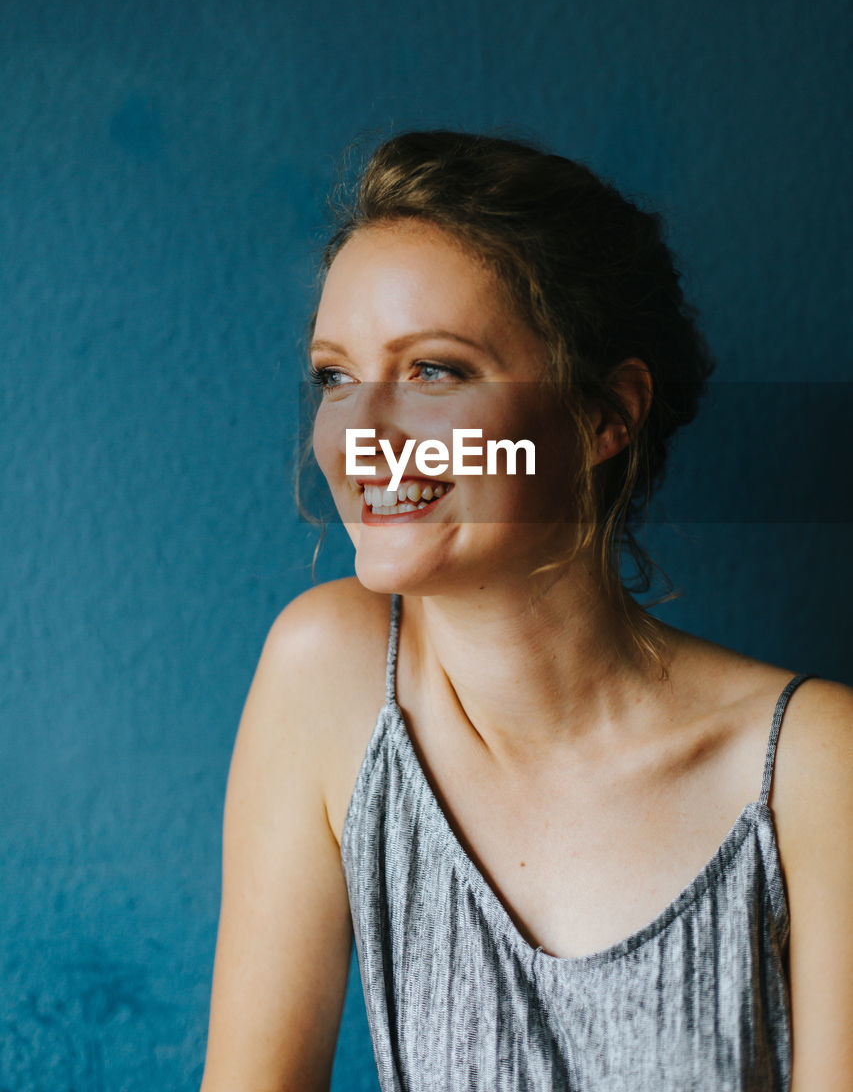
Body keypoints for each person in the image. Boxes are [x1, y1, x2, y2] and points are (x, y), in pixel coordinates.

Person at [199, 131, 853, 1091]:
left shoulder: (816, 770)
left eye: (435, 372)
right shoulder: (326, 673)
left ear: (603, 417)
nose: (360, 437)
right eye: (336, 375)